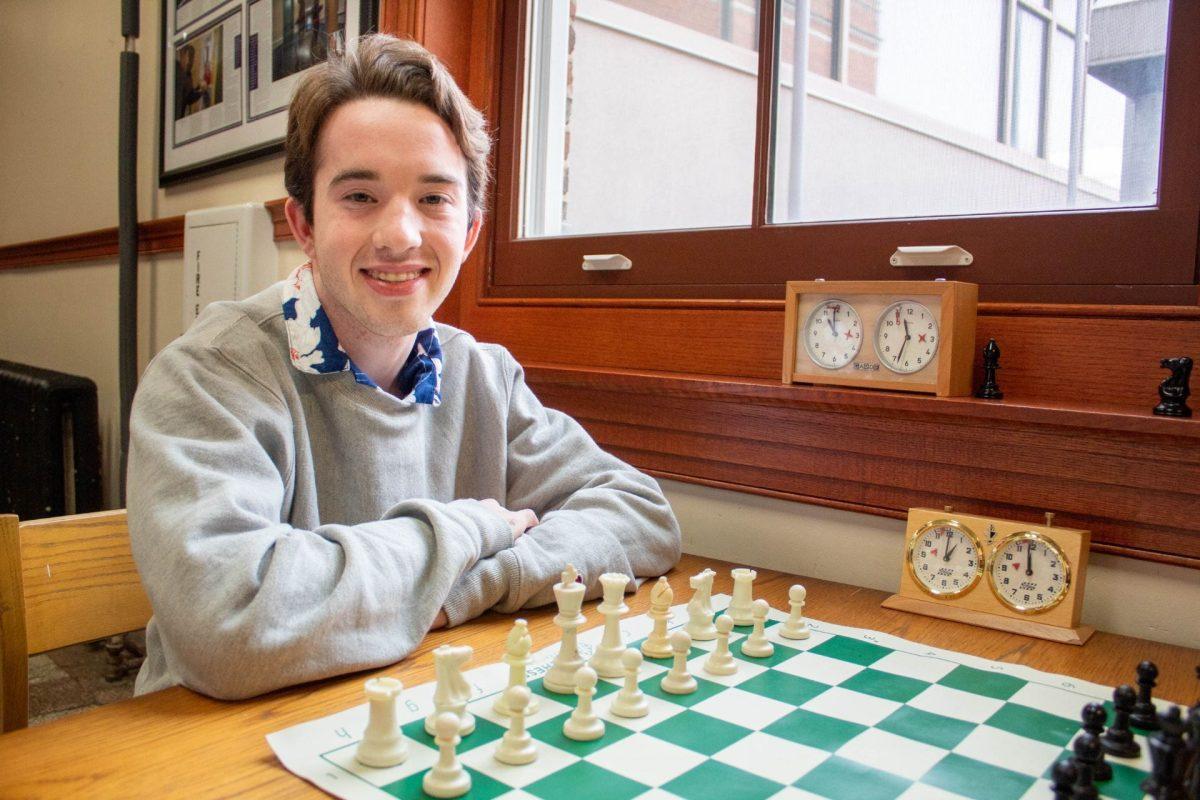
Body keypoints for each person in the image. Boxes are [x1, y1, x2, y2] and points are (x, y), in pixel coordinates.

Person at [128, 34, 681, 700]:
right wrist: (471, 529)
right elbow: (230, 625)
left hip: (412, 711)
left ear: (470, 232)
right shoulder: (207, 376)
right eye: (360, 197)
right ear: (303, 224)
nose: (399, 235)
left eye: (434, 199)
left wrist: (461, 588)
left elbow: (640, 514)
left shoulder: (484, 377)